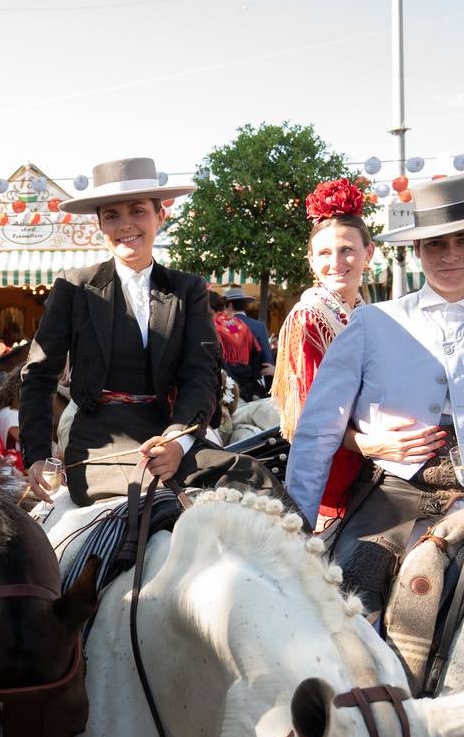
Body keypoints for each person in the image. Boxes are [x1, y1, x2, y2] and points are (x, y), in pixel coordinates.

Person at [287, 172, 464, 615]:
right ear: (417, 250)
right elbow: (317, 434)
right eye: (435, 245)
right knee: (353, 607)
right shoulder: (371, 325)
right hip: (389, 500)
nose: (450, 256)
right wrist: (292, 527)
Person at [22, 157, 286, 507]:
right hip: (100, 445)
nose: (125, 225)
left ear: (160, 216)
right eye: (112, 216)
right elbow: (39, 375)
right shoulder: (74, 288)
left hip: (171, 436)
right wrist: (38, 455)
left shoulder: (188, 289)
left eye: (137, 211)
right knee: (154, 502)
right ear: (100, 225)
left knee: (260, 481)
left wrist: (178, 440)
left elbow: (200, 374)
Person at [272, 177, 395, 524]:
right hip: (335, 471)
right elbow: (308, 421)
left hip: (379, 458)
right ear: (311, 261)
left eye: (346, 250)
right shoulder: (308, 318)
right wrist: (372, 444)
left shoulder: (368, 313)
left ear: (368, 254)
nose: (336, 261)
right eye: (324, 253)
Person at [215, 289, 266, 401]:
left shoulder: (214, 324)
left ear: (229, 305)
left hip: (229, 377)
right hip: (246, 375)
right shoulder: (238, 324)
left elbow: (218, 354)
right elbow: (257, 351)